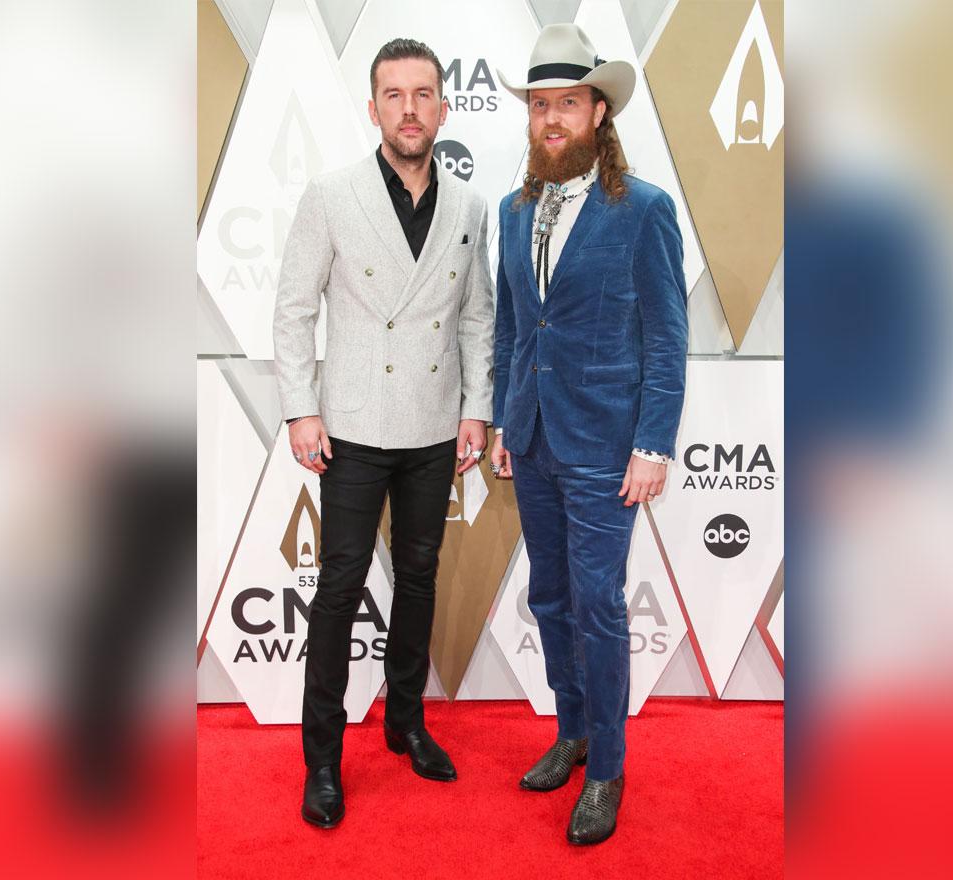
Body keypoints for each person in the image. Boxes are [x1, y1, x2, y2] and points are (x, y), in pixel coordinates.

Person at [272, 37, 494, 829]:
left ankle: (406, 721)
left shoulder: (471, 207)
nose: (409, 108)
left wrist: (477, 408)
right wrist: (301, 406)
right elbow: (295, 309)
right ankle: (322, 759)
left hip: (435, 424)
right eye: (393, 95)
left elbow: (476, 314)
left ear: (442, 106)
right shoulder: (330, 196)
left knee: (421, 575)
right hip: (354, 426)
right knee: (337, 588)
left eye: (422, 93)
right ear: (373, 109)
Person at [489, 23, 688, 845]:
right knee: (551, 596)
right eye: (540, 105)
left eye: (567, 103)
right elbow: (510, 326)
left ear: (598, 111)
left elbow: (668, 338)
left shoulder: (642, 210)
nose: (551, 120)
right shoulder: (513, 208)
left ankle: (607, 766)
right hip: (532, 439)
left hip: (609, 447)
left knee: (601, 604)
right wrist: (506, 419)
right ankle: (571, 733)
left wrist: (653, 444)